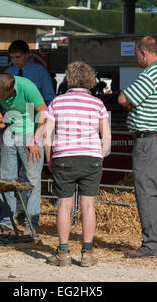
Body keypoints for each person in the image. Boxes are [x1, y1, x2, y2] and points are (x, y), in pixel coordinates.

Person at [43, 61, 111, 267]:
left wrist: (49, 158)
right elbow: (106, 136)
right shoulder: (98, 104)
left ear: (69, 80)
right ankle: (87, 253)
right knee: (88, 205)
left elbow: (47, 134)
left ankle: (63, 252)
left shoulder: (57, 102)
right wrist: (99, 156)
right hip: (91, 157)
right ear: (90, 81)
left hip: (64, 157)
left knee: (64, 204)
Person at [117, 36, 157, 258]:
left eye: (136, 54)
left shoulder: (151, 73)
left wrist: (130, 105)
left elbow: (122, 98)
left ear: (143, 53)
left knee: (146, 191)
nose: (136, 58)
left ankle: (152, 244)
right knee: (154, 190)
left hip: (148, 141)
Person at [0, 73, 47, 236]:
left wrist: (35, 140)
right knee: (6, 179)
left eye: (5, 96)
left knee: (32, 179)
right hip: (9, 133)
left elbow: (44, 113)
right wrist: (0, 116)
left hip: (30, 133)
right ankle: (6, 222)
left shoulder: (28, 88)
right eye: (0, 95)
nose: (3, 99)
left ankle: (31, 224)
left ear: (13, 89)